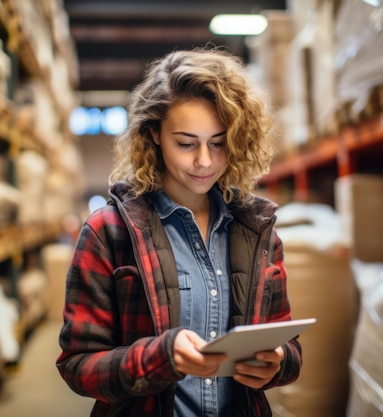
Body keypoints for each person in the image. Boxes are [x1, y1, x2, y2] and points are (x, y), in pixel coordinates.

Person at [56, 47, 303, 417]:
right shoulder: (109, 232)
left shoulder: (256, 229)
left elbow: (289, 343)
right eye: (186, 143)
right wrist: (158, 358)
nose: (204, 160)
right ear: (154, 134)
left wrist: (279, 361)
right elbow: (77, 366)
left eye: (218, 143)